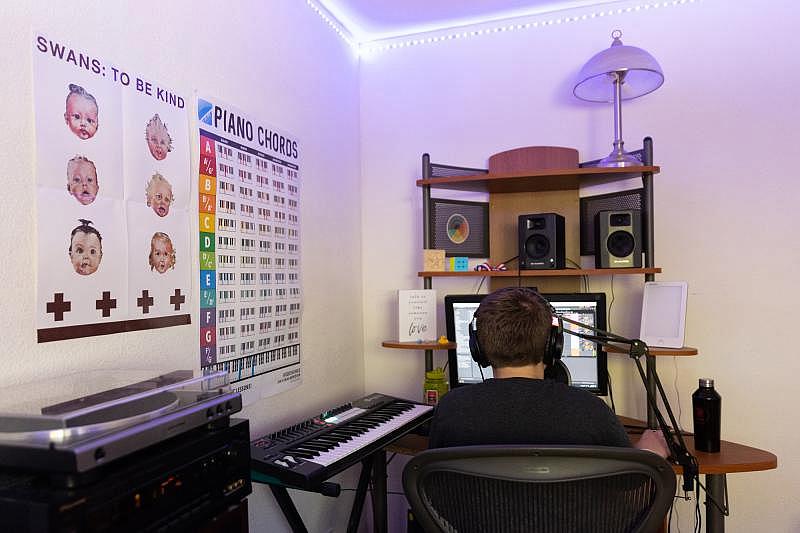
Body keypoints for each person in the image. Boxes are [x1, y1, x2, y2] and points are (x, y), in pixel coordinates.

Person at [428, 286, 669, 457]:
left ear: (477, 348)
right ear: (553, 345)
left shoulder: (452, 409)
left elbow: (435, 480)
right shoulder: (590, 410)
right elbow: (632, 478)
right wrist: (650, 451)